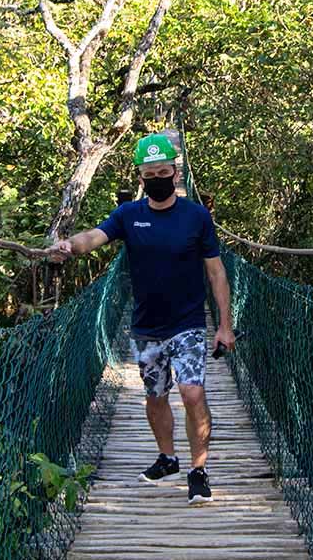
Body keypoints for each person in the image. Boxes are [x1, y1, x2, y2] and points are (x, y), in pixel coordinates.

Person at [46, 133, 235, 505]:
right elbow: (94, 236)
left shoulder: (197, 216)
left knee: (192, 391)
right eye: (151, 173)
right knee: (155, 395)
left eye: (164, 171)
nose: (158, 178)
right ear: (141, 177)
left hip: (189, 322)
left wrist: (225, 326)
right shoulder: (128, 215)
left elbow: (216, 272)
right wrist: (70, 246)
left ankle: (198, 471)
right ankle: (167, 458)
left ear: (176, 172)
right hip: (147, 326)